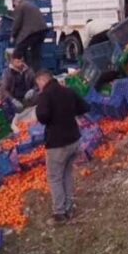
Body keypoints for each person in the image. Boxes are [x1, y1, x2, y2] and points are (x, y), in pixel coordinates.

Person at [34, 69, 89, 222]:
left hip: (57, 144)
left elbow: (42, 116)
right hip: (73, 140)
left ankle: (59, 211)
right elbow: (85, 107)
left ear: (42, 80)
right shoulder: (68, 91)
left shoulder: (45, 95)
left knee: (55, 177)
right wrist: (69, 111)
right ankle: (69, 207)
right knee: (67, 174)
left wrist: (41, 101)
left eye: (38, 84)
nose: (38, 87)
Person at [10, 0, 48, 71]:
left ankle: (16, 72)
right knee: (35, 54)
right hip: (42, 31)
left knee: (18, 51)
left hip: (32, 32)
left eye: (14, 6)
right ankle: (35, 73)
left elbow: (17, 23)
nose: (14, 8)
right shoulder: (30, 4)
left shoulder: (20, 6)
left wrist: (12, 35)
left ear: (15, 2)